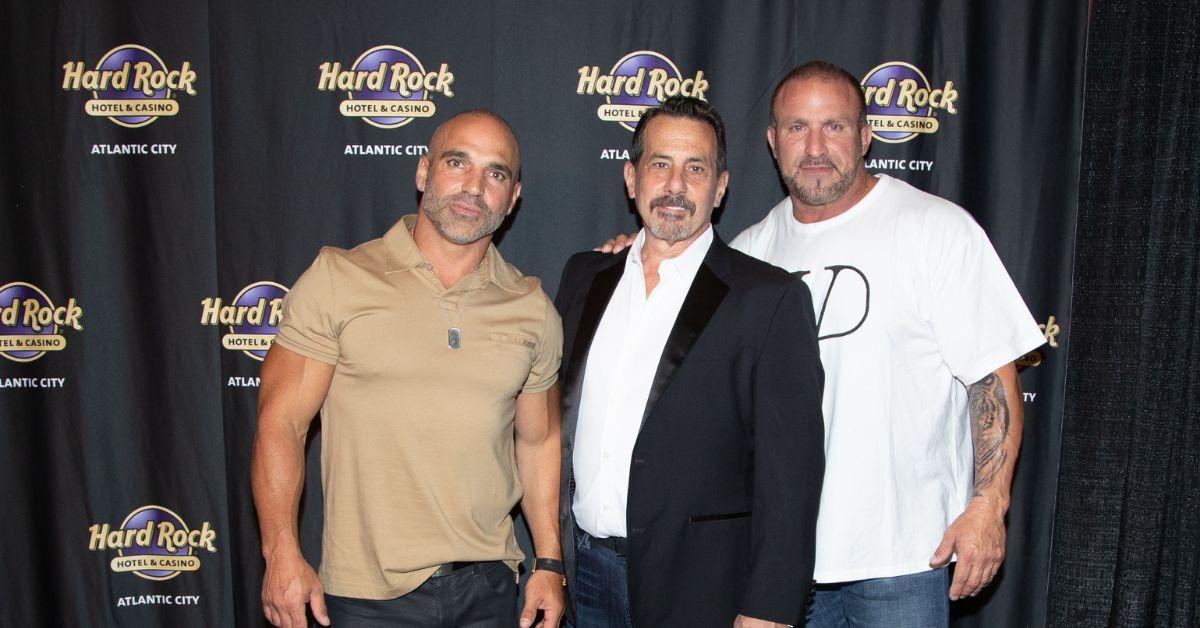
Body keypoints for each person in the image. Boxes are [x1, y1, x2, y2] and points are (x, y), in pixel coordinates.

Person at [601, 61, 1045, 626]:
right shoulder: (748, 251)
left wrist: (988, 506)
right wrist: (630, 259)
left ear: (864, 137)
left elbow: (990, 378)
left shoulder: (935, 229)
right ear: (772, 141)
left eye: (833, 127)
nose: (814, 146)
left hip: (901, 560)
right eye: (795, 128)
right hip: (779, 568)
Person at [251, 110, 565, 628]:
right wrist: (280, 550)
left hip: (488, 589)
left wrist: (549, 562)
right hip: (366, 598)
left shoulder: (532, 309)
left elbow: (537, 441)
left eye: (496, 173)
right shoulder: (340, 278)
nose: (473, 186)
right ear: (423, 172)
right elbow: (280, 421)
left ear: (512, 199)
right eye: (456, 162)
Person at [556, 96, 826, 627]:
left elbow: (791, 473)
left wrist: (770, 605)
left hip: (704, 588)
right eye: (660, 164)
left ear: (720, 186)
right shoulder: (583, 277)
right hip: (585, 574)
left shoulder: (769, 298)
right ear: (631, 178)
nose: (676, 185)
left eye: (695, 168)